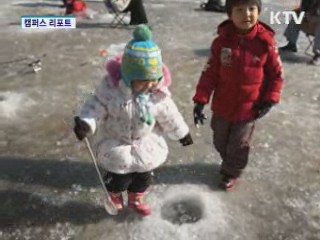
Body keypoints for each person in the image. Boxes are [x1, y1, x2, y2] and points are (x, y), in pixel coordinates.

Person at [73, 25, 193, 216]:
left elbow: (170, 115)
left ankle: (136, 197)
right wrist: (86, 124)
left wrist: (182, 133)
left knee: (143, 178)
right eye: (144, 80)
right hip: (116, 144)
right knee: (117, 178)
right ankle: (115, 194)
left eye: (154, 79)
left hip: (146, 145)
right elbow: (95, 107)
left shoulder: (157, 95)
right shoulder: (111, 92)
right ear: (129, 77)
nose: (150, 85)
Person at [192, 0, 284, 191]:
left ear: (258, 11)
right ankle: (229, 161)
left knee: (239, 144)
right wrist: (201, 100)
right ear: (229, 14)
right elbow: (210, 73)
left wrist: (270, 99)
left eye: (251, 9)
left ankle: (231, 172)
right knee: (220, 140)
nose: (246, 14)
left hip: (249, 108)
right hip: (222, 105)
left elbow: (276, 75)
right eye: (240, 10)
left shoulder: (266, 43)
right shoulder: (221, 43)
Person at [279, 0, 320, 65]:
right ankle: (291, 44)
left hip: (317, 26)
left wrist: (312, 18)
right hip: (309, 24)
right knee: (295, 16)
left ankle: (318, 54)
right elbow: (301, 11)